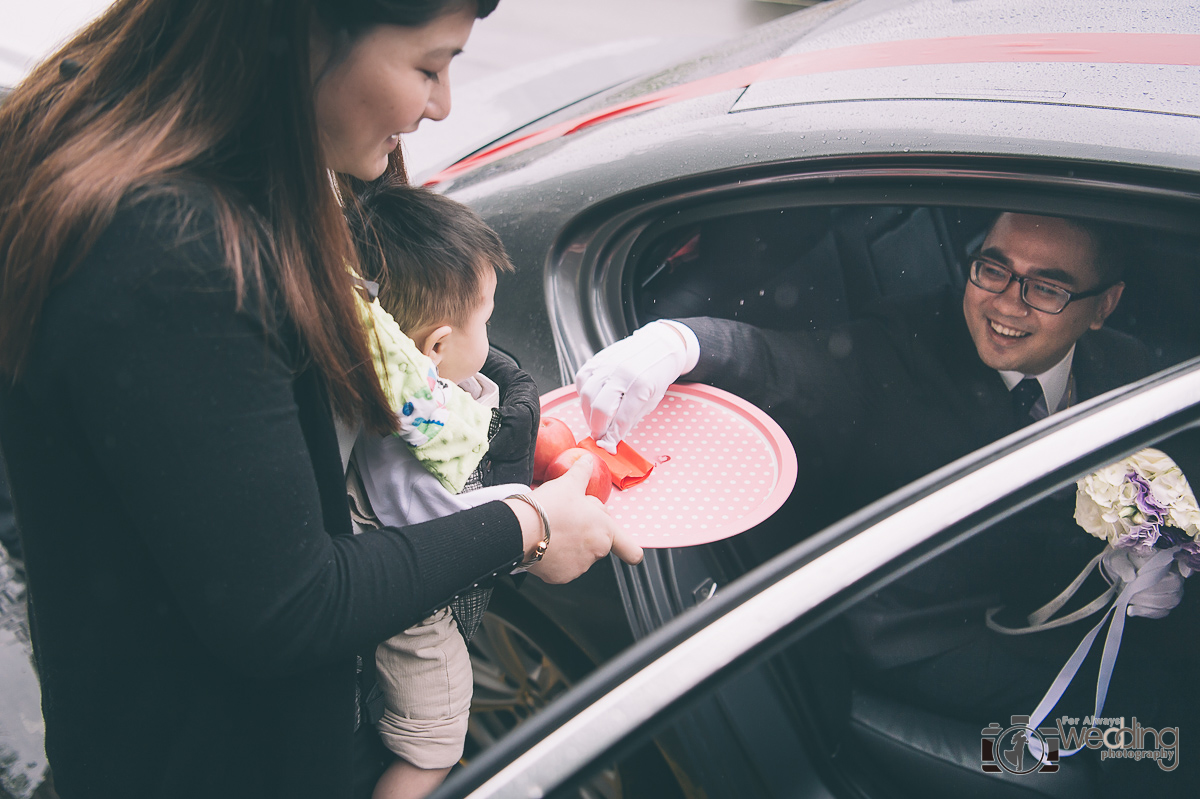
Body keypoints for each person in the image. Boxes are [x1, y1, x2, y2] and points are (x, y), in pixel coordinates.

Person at [0, 3, 641, 799]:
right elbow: (286, 606)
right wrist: (528, 526)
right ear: (307, 35)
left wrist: (496, 413)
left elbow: (396, 353)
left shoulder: (277, 163)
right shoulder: (170, 257)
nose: (439, 105)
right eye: (427, 66)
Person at [576, 212, 1153, 539]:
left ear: (1105, 306)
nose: (1006, 303)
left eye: (1047, 288)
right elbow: (787, 365)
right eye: (993, 269)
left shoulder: (1135, 376)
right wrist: (681, 342)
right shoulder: (904, 344)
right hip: (933, 633)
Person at [340, 179, 536, 799]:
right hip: (410, 609)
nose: (492, 333)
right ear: (437, 346)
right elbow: (451, 527)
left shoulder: (399, 387)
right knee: (435, 744)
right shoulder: (413, 443)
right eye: (487, 318)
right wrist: (541, 518)